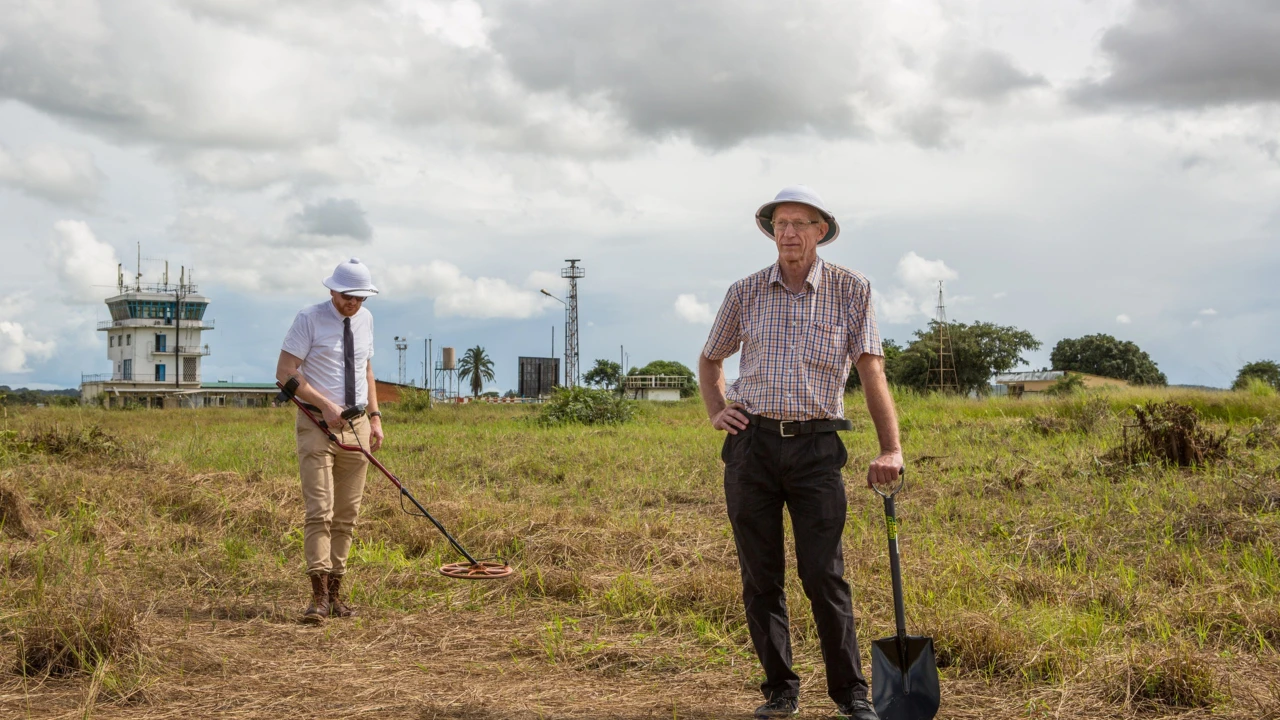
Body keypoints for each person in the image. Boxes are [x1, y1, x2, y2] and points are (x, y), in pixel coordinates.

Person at [698, 186, 904, 720]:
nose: (788, 232)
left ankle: (852, 695)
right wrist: (718, 410)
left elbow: (870, 370)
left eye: (801, 224)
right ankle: (780, 692)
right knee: (760, 576)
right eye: (780, 224)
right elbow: (710, 359)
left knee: (823, 575)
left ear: (821, 232)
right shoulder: (745, 292)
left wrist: (891, 449)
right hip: (752, 450)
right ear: (772, 232)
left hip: (816, 449)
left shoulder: (851, 289)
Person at [275, 258, 385, 624]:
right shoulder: (309, 318)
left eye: (360, 298)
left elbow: (366, 369)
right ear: (332, 290)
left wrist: (375, 417)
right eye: (348, 296)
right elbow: (284, 373)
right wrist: (326, 405)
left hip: (358, 427)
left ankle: (337, 595)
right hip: (316, 423)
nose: (353, 303)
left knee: (347, 514)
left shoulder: (366, 321)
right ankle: (318, 597)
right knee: (319, 510)